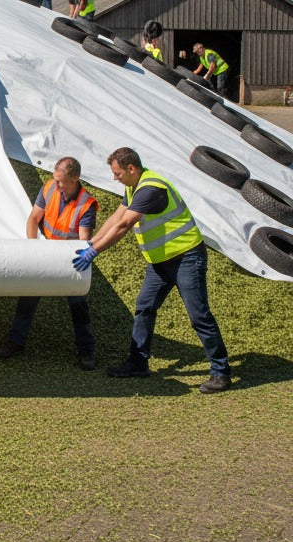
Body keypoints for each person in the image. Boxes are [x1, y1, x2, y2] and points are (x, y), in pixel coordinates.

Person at [72, 147, 231, 393]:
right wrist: (91, 243)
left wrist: (95, 252)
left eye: (117, 173)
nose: (115, 178)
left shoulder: (151, 189)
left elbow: (125, 225)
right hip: (159, 262)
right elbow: (116, 217)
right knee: (144, 308)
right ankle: (138, 363)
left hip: (186, 257)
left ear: (131, 169)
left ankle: (221, 372)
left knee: (199, 315)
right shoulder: (133, 186)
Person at [0, 157, 98, 369]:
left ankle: (86, 352)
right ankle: (16, 341)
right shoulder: (50, 187)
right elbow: (33, 219)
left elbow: (83, 240)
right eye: (55, 179)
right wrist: (34, 250)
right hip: (45, 251)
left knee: (78, 304)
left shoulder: (86, 204)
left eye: (61, 181)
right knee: (28, 296)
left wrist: (76, 259)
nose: (57, 184)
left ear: (75, 179)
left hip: (70, 258)